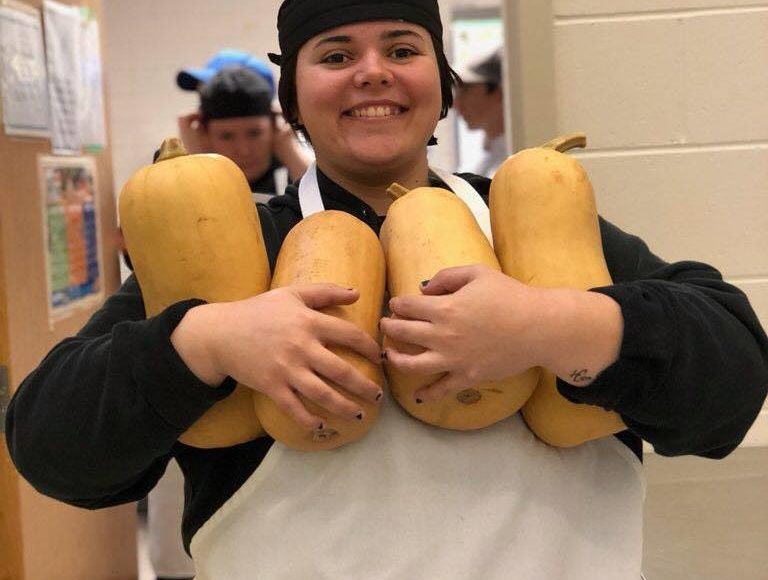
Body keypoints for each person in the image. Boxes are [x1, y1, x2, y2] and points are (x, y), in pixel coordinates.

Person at [6, 1, 768, 579]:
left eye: (402, 49)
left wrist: (554, 325)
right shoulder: (231, 248)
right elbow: (53, 452)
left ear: (442, 86)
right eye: (336, 54)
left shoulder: (528, 215)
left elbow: (732, 383)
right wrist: (200, 342)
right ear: (292, 99)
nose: (372, 71)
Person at [176, 52, 311, 201]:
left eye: (254, 133)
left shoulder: (299, 170)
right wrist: (196, 160)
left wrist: (290, 152)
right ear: (204, 133)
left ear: (274, 126)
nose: (244, 150)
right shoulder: (182, 176)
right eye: (226, 136)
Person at [453, 47, 507, 177]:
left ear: (498, 92)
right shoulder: (480, 161)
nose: (456, 104)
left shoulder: (517, 160)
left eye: (466, 90)